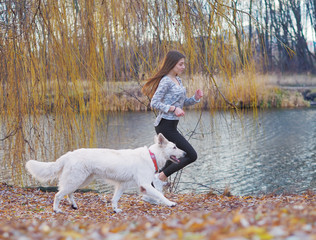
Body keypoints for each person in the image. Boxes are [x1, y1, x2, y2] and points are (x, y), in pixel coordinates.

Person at [142, 50, 203, 194]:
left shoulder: (178, 80)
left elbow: (182, 103)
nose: (183, 67)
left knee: (171, 160)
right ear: (172, 64)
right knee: (190, 155)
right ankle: (159, 178)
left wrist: (194, 98)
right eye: (180, 64)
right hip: (165, 126)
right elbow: (154, 103)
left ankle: (150, 192)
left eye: (184, 64)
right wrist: (173, 108)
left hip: (171, 126)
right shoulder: (165, 81)